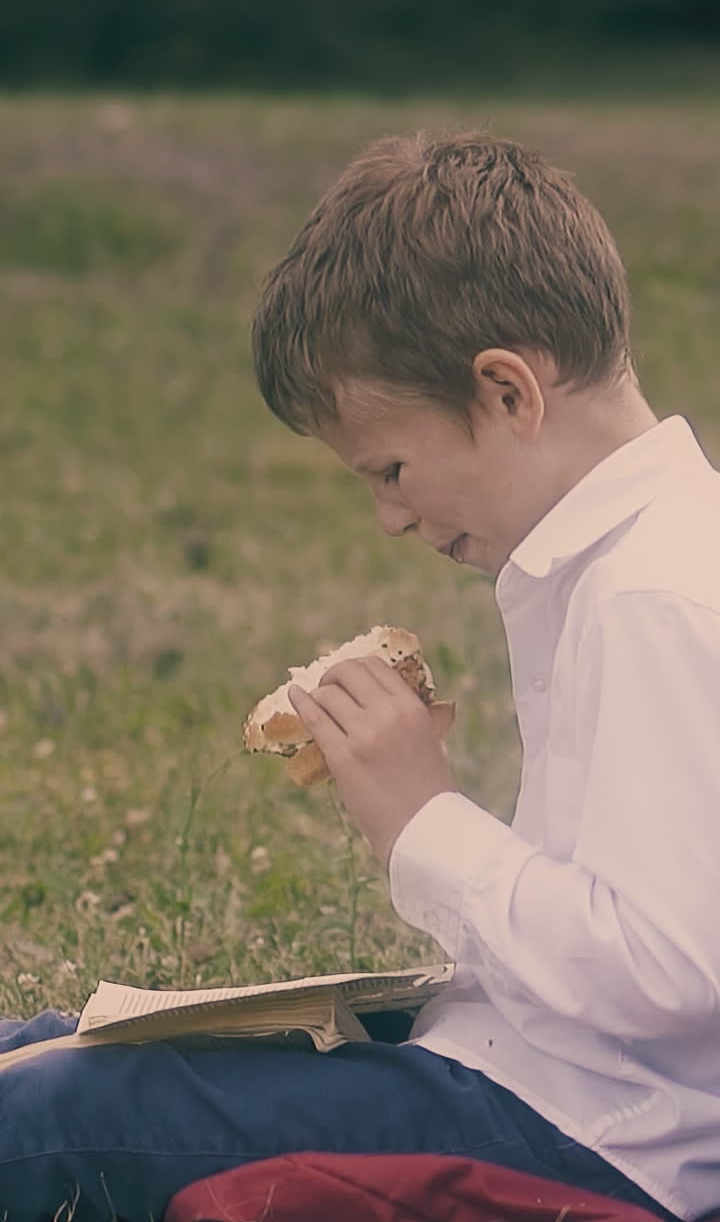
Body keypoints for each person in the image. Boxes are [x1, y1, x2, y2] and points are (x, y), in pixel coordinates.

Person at [2, 131, 718, 1222]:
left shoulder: (651, 595)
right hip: (531, 1075)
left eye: (390, 468)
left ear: (508, 392)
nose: (389, 516)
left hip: (587, 1140)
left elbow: (665, 972)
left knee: (62, 1113)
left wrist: (422, 819)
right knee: (53, 1053)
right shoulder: (619, 565)